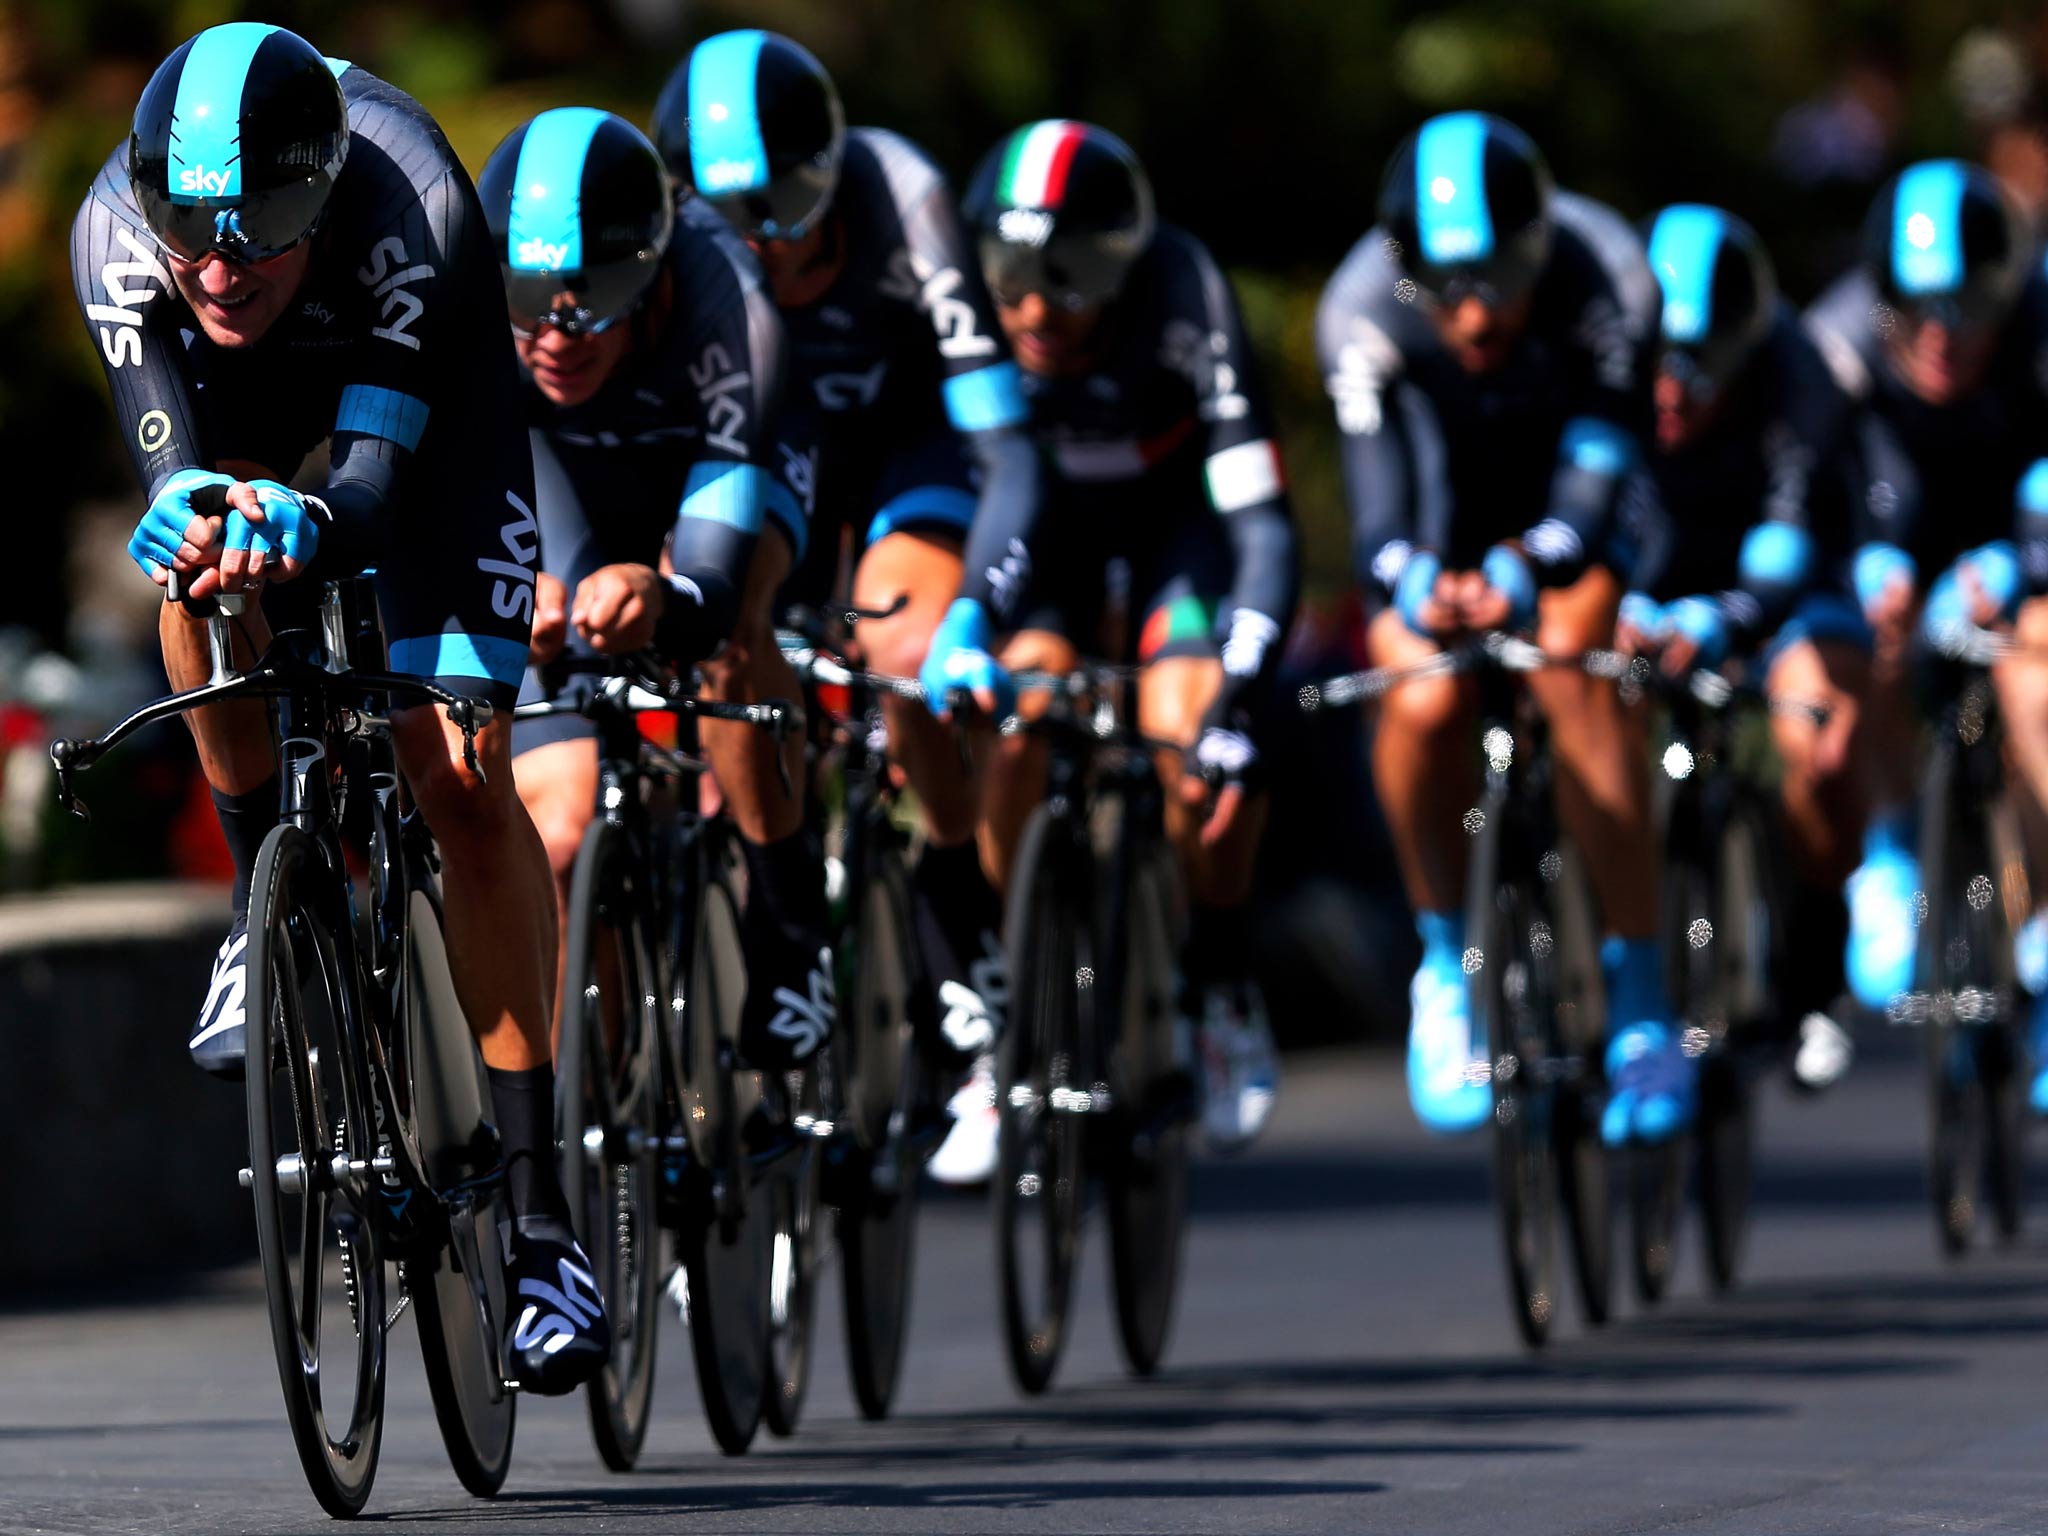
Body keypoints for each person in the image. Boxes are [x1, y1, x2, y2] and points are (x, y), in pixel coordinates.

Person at [72, 23, 605, 1390]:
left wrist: (316, 516)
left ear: (320, 192)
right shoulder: (116, 240)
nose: (221, 266)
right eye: (191, 231)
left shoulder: (408, 192)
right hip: (247, 407)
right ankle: (266, 905)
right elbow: (173, 458)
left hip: (422, 425)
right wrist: (193, 508)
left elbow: (370, 486)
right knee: (202, 571)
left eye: (260, 230)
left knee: (463, 779)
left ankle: (545, 1222)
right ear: (150, 203)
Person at [653, 30, 1043, 1182]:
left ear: (831, 175)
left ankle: (957, 900)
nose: (760, 242)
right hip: (764, 443)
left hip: (902, 448)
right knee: (726, 633)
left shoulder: (904, 197)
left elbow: (1006, 448)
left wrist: (973, 607)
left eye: (784, 204)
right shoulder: (694, 253)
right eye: (727, 213)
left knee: (907, 647)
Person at [1316, 111, 1682, 1146]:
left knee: (1569, 667)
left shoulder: (1606, 270)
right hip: (1438, 522)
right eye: (1443, 289)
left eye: (1495, 282)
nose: (1472, 318)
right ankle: (1442, 962)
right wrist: (1414, 577)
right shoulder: (1357, 307)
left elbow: (1604, 460)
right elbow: (1375, 511)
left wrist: (1532, 562)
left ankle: (1640, 984)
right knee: (1418, 690)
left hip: (1572, 511)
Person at [949, 119, 1298, 1153]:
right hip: (1043, 543)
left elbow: (1261, 525)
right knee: (1012, 723)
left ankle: (1222, 985)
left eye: (1066, 278)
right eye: (1009, 277)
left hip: (1171, 539)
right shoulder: (972, 308)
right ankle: (1004, 1000)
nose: (1032, 308)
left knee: (1192, 747)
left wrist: (1237, 678)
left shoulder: (1186, 296)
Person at [475, 107, 832, 1075]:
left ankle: (792, 929)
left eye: (596, 293)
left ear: (653, 271)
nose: (558, 329)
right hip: (565, 477)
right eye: (529, 292)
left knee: (731, 631)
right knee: (556, 841)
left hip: (715, 462)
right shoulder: (467, 295)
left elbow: (709, 578)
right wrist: (525, 591)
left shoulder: (726, 294)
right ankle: (589, 1108)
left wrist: (671, 589)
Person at [1807, 158, 2048, 1106]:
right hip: (1893, 534)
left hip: (2020, 537)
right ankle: (1896, 840)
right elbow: (1807, 496)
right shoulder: (1834, 340)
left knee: (2037, 671)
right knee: (1862, 639)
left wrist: (2022, 565)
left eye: (1969, 309)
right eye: (1919, 310)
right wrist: (1869, 564)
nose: (1943, 337)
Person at [1624, 204, 1867, 1091]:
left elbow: (1789, 546)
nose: (1674, 390)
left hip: (1787, 580)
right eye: (1659, 361)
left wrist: (1725, 619)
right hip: (1655, 576)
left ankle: (1814, 972)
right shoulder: (1603, 360)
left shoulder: (1800, 373)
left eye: (1702, 364)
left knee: (1818, 745)